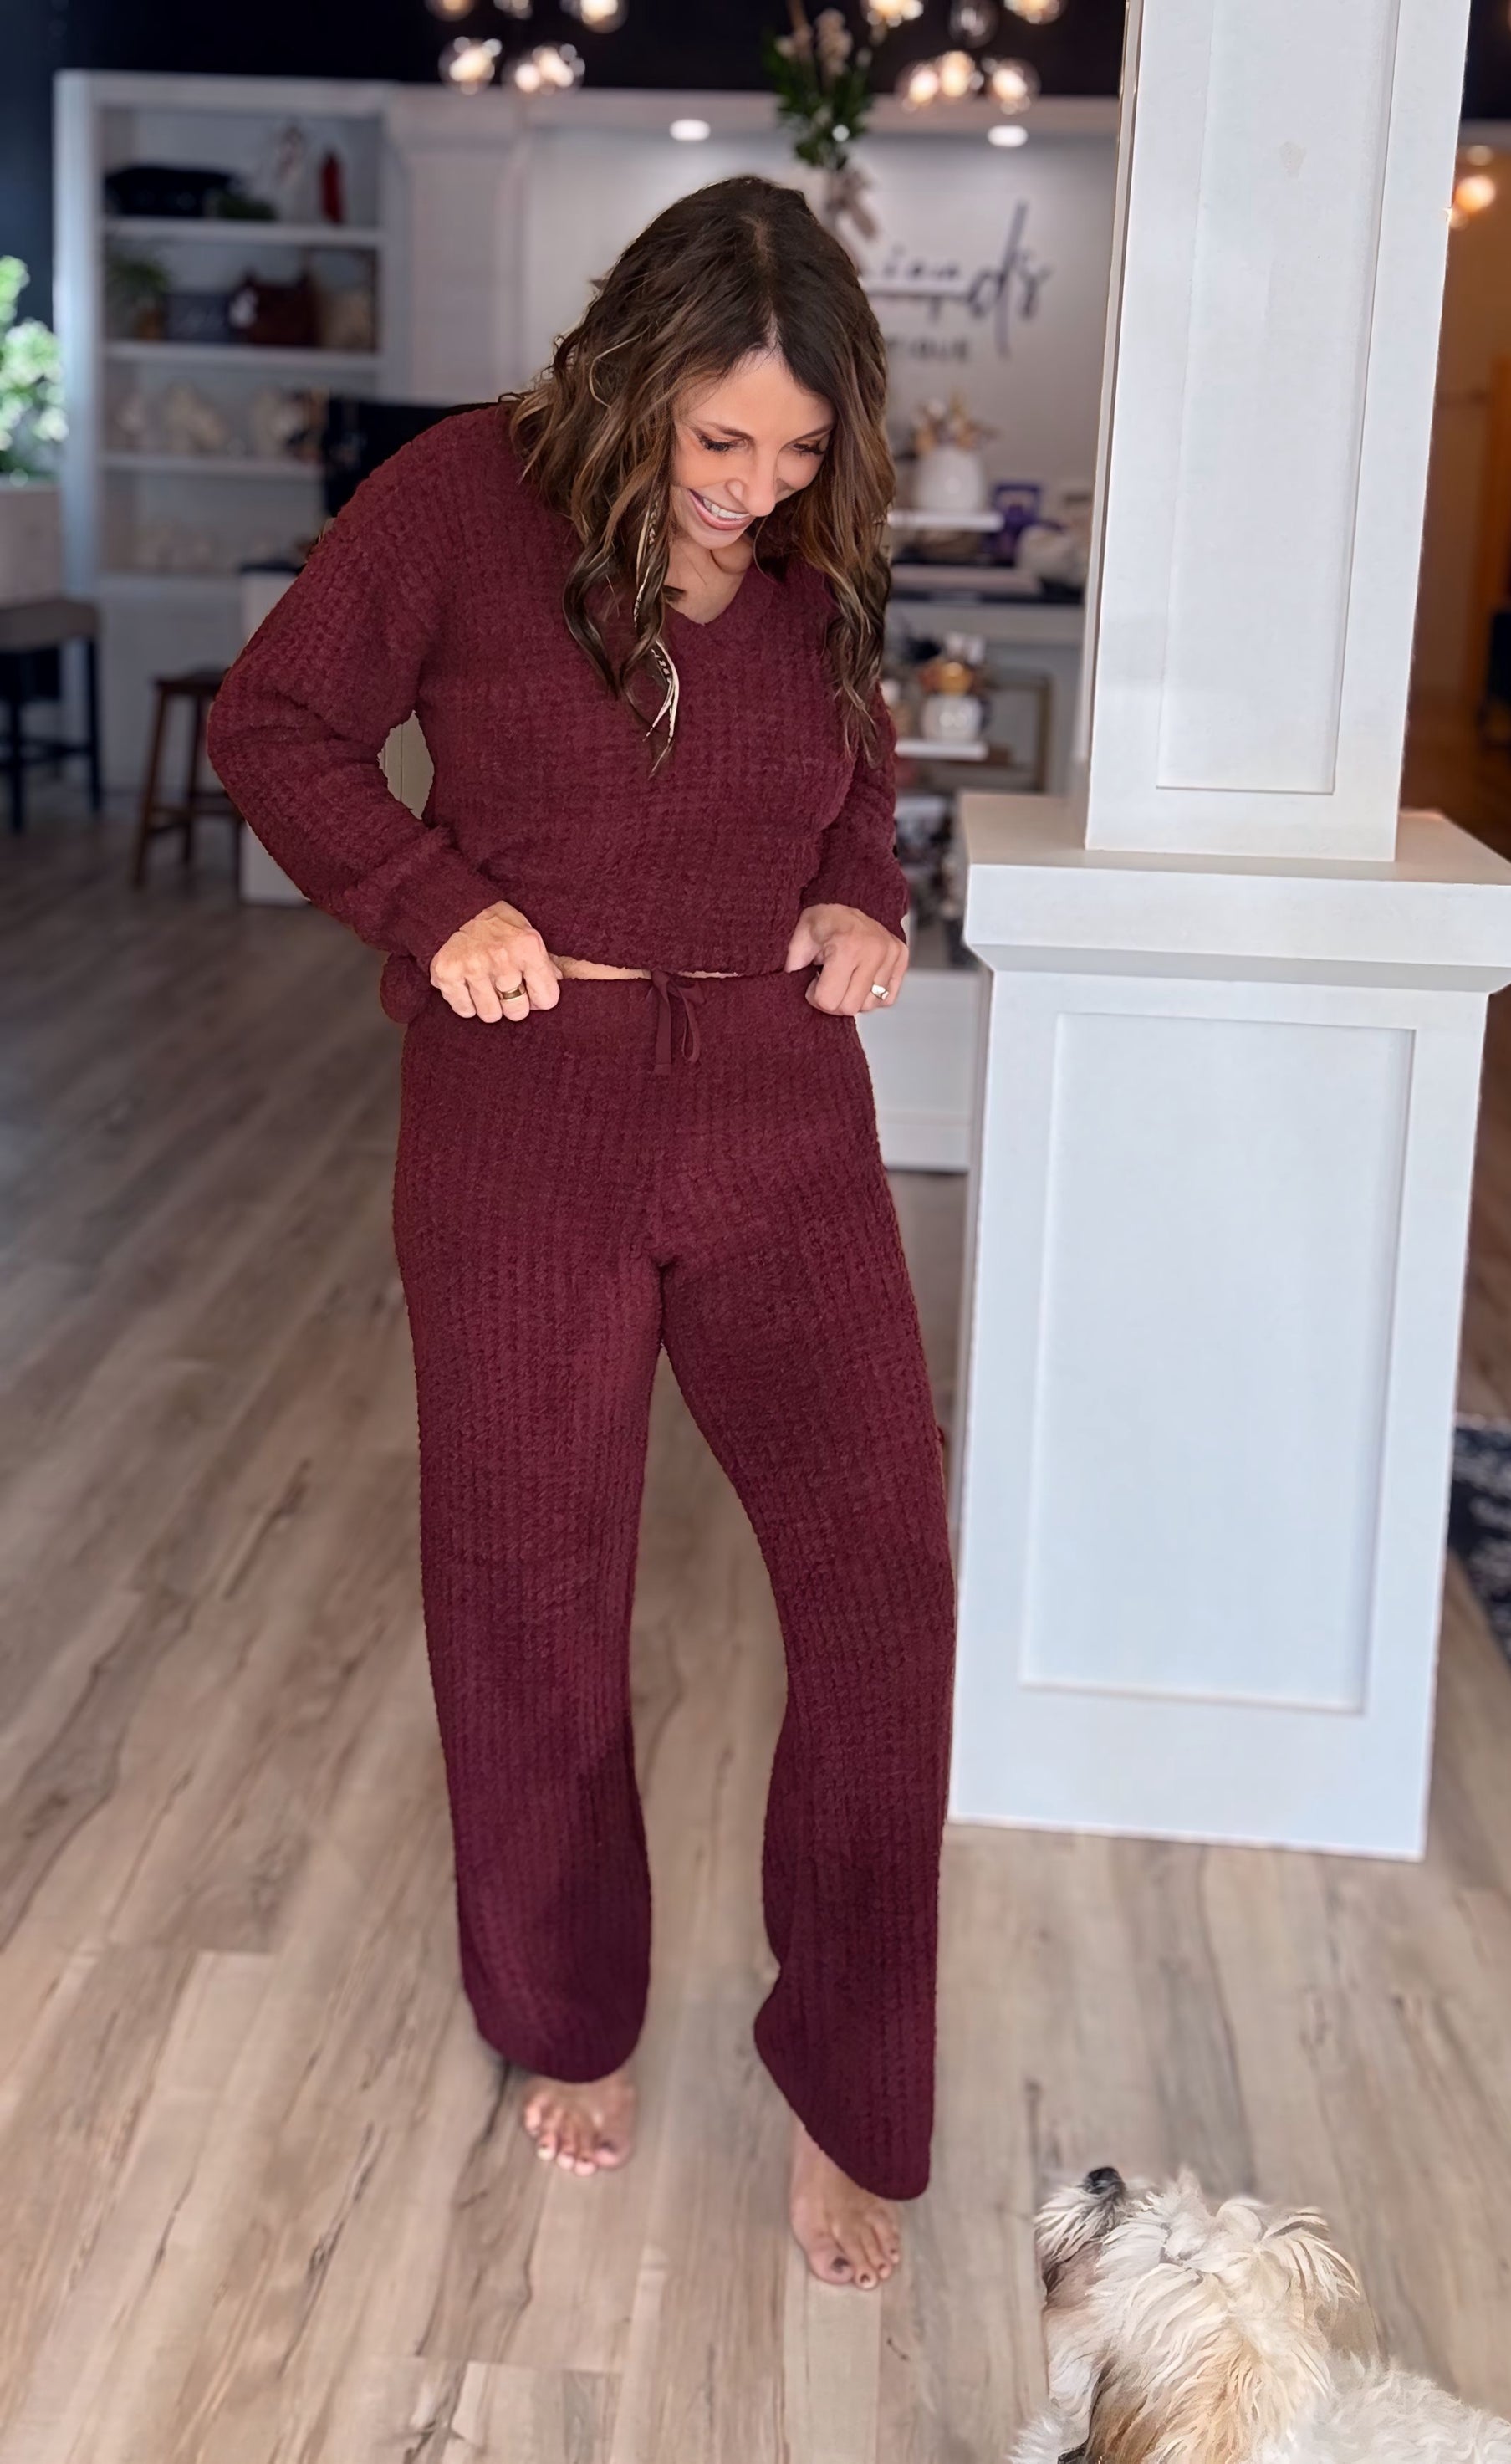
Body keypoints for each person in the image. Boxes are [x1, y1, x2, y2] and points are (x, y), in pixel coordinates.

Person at [207, 174, 958, 2293]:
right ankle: (568, 2013)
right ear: (630, 377)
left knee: (886, 1597)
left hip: (782, 1118)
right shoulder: (461, 498)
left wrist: (861, 896)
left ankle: (850, 2088)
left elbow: (853, 764)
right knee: (532, 1598)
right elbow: (274, 722)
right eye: (719, 440)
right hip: (525, 1122)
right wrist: (434, 906)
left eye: (796, 451)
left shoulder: (811, 545)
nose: (753, 488)